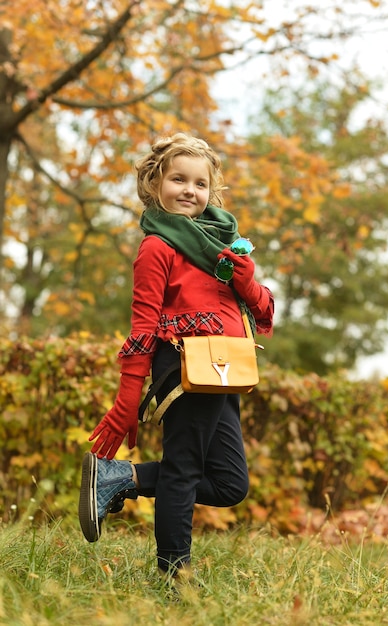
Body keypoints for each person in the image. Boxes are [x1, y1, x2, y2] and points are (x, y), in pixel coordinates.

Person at [78, 133, 274, 578]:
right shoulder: (157, 246)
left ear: (212, 190)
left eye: (200, 183)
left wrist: (247, 282)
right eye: (178, 179)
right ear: (155, 184)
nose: (189, 190)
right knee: (184, 472)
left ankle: (120, 479)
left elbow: (262, 312)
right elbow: (143, 326)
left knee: (229, 484)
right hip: (185, 365)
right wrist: (128, 399)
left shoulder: (224, 245)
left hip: (228, 366)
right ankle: (174, 578)